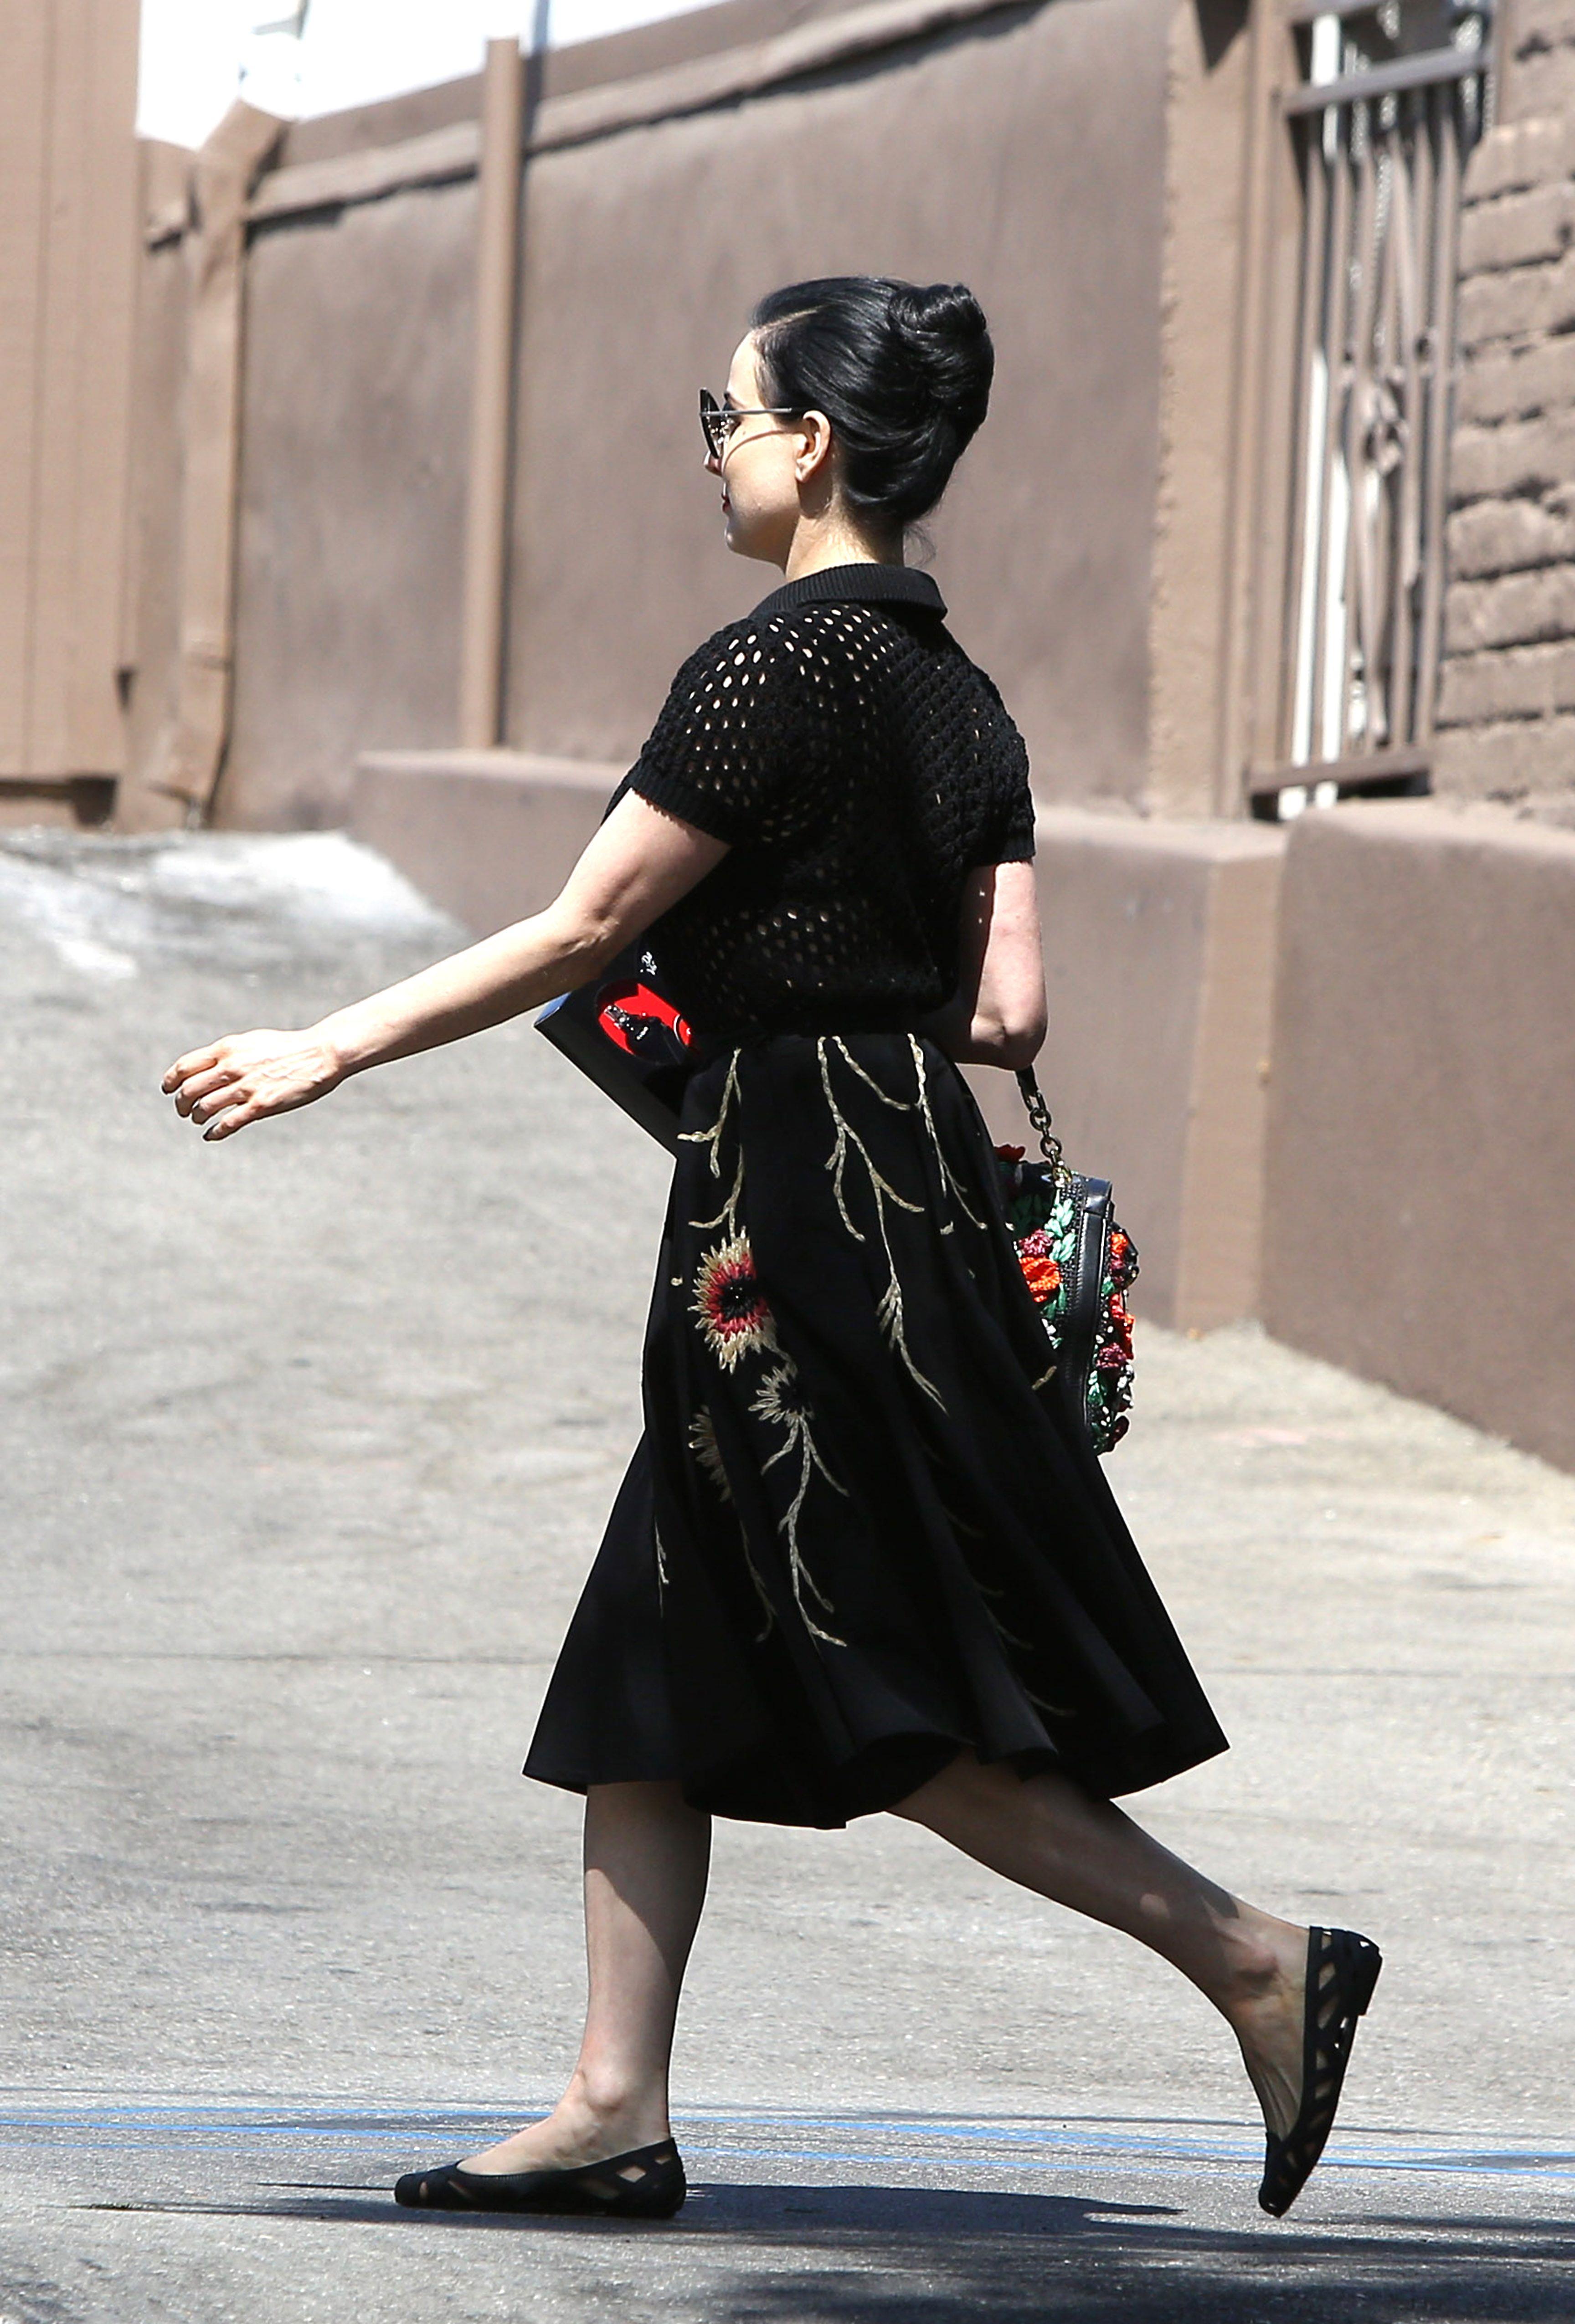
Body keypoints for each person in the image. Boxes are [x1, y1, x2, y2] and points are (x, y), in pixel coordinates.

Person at [163, 277, 1380, 2226]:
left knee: (866, 1672)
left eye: (725, 412)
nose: (714, 446)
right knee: (660, 1637)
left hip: (792, 1211)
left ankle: (1251, 1957)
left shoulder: (772, 670)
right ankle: (610, 2104)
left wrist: (331, 1043)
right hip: (903, 1180)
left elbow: (582, 928)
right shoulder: (967, 701)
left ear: (812, 444)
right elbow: (1013, 1013)